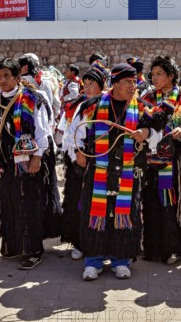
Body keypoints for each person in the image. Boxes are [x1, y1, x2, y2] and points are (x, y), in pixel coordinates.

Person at [75, 63, 163, 280]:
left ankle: (121, 259)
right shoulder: (93, 105)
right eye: (127, 83)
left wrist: (147, 131)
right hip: (98, 171)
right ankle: (93, 260)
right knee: (96, 213)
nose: (133, 87)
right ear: (114, 84)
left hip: (128, 172)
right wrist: (77, 150)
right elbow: (74, 131)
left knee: (125, 214)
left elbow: (160, 135)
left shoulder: (143, 108)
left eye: (134, 82)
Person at [0, 58, 61, 269]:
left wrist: (38, 157)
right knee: (10, 201)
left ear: (17, 77)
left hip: (28, 162)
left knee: (29, 204)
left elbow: (43, 131)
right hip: (6, 162)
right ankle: (13, 243)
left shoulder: (31, 100)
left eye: (6, 76)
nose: (2, 80)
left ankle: (32, 249)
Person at [141, 56, 181, 265]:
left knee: (174, 202)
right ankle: (154, 248)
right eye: (153, 74)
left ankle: (176, 247)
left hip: (174, 161)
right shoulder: (147, 97)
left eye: (159, 74)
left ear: (171, 76)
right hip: (150, 160)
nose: (154, 78)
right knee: (152, 202)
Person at [60, 66, 107, 260]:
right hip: (80, 161)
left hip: (102, 161)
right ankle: (80, 242)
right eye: (85, 84)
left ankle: (99, 243)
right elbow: (72, 132)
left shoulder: (106, 104)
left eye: (92, 84)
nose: (87, 88)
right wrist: (77, 152)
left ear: (101, 86)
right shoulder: (80, 105)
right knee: (78, 202)